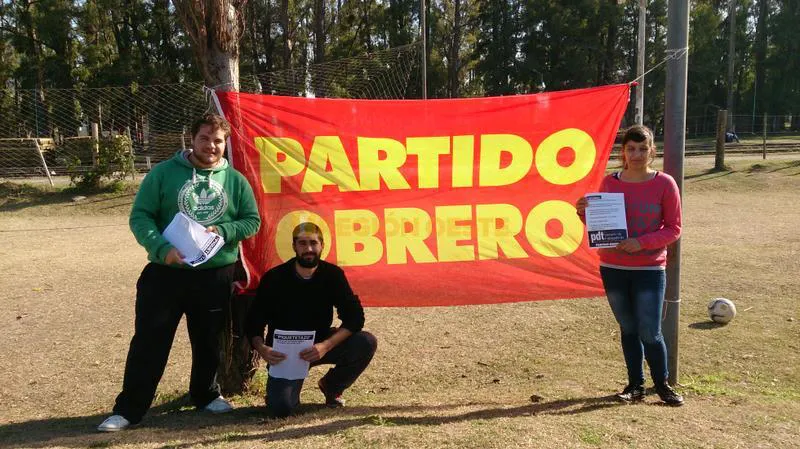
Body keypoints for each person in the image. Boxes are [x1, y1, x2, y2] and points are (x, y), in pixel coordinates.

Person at [97, 114, 262, 431]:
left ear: (225, 144)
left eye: (218, 141)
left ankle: (206, 394)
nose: (211, 146)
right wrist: (162, 249)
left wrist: (225, 229)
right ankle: (129, 409)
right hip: (165, 274)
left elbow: (251, 221)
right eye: (205, 138)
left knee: (209, 341)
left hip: (215, 274)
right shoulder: (163, 174)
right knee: (150, 342)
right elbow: (141, 217)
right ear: (192, 139)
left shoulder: (235, 180)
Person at [575, 125, 684, 406]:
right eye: (631, 148)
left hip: (649, 269)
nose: (637, 154)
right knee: (628, 328)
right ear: (623, 151)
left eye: (643, 148)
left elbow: (674, 228)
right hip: (613, 268)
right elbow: (600, 228)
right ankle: (635, 385)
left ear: (652, 151)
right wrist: (583, 214)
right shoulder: (610, 183)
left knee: (650, 331)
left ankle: (662, 386)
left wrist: (643, 242)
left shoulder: (665, 184)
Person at [246, 222, 378, 418]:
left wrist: (325, 345)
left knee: (365, 342)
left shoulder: (333, 275)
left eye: (313, 243)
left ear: (322, 245)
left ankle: (331, 386)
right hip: (284, 352)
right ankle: (281, 393)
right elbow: (253, 323)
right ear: (293, 246)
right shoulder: (274, 278)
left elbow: (355, 318)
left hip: (319, 345)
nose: (308, 249)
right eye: (302, 243)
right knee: (281, 410)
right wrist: (263, 349)